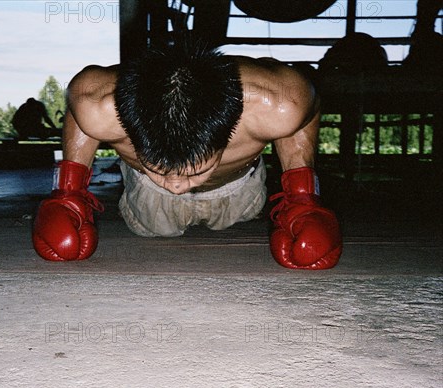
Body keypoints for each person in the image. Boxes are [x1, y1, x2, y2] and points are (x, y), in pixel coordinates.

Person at [32, 41, 342, 270]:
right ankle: (154, 177)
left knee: (237, 216)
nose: (177, 185)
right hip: (150, 198)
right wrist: (67, 195)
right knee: (159, 227)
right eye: (158, 167)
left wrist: (302, 199)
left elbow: (306, 112)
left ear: (228, 134)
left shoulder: (279, 102)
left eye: (194, 171)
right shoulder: (96, 102)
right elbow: (78, 113)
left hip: (239, 191)